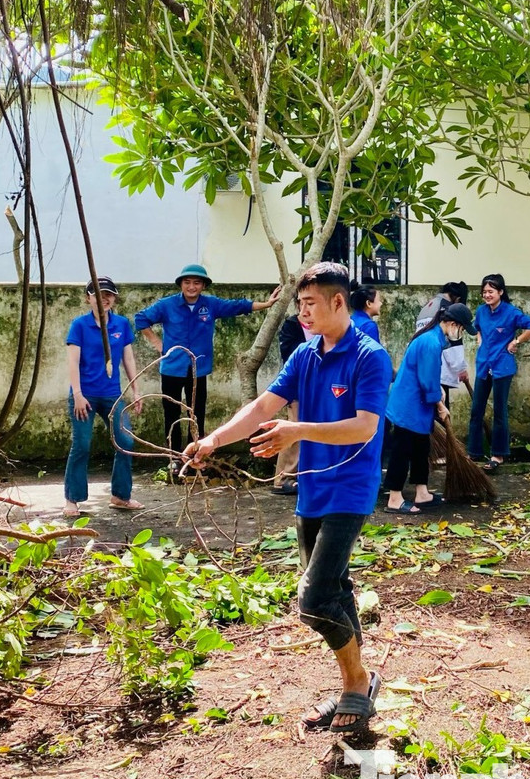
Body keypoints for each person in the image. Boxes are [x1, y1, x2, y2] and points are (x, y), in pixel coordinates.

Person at [184, 262, 391, 733]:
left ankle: (357, 683)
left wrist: (296, 430)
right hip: (311, 490)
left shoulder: (369, 356)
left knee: (314, 599)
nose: (302, 313)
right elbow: (262, 407)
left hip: (350, 490)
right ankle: (355, 685)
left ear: (338, 302)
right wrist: (213, 440)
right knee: (335, 589)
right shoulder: (304, 355)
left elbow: (365, 426)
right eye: (299, 305)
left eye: (310, 304)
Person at [133, 264, 280, 460]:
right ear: (181, 285)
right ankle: (174, 458)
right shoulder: (166, 305)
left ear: (203, 285)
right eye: (187, 282)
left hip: (198, 370)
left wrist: (267, 304)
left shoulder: (210, 304)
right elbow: (141, 319)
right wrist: (157, 343)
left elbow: (237, 306)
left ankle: (194, 456)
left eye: (196, 283)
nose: (191, 287)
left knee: (196, 415)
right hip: (171, 368)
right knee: (172, 414)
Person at [63, 277, 145, 518]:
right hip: (84, 395)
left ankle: (120, 496)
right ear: (88, 299)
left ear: (114, 298)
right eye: (97, 295)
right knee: (82, 445)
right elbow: (73, 362)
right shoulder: (79, 326)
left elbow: (128, 359)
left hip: (112, 395)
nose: (103, 299)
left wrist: (135, 390)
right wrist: (77, 394)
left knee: (126, 442)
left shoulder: (121, 324)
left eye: (108, 294)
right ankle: (72, 499)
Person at [383, 303, 476, 514]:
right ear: (453, 324)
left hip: (417, 404)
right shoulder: (430, 342)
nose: (460, 333)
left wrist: (438, 394)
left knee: (420, 449)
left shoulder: (434, 338)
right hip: (408, 406)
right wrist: (440, 404)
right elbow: (426, 381)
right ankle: (395, 499)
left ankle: (422, 493)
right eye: (461, 329)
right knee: (402, 450)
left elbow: (429, 376)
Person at [468, 274, 530, 471]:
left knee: (500, 411)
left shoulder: (511, 312)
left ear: (500, 292)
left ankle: (498, 455)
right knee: (476, 411)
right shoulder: (481, 311)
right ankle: (473, 452)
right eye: (484, 292)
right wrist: (479, 340)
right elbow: (476, 328)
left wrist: (516, 341)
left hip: (502, 366)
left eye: (491, 291)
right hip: (483, 365)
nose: (487, 295)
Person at [271, 308, 317, 495]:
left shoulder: (322, 325)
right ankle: (282, 479)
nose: (307, 309)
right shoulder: (292, 325)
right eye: (303, 302)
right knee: (293, 431)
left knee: (306, 432)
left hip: (316, 388)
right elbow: (290, 356)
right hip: (298, 388)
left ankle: (297, 476)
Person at [416, 283, 470, 407]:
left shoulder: (427, 307)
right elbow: (453, 344)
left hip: (425, 370)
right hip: (438, 370)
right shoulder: (448, 309)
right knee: (441, 411)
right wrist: (461, 369)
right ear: (458, 299)